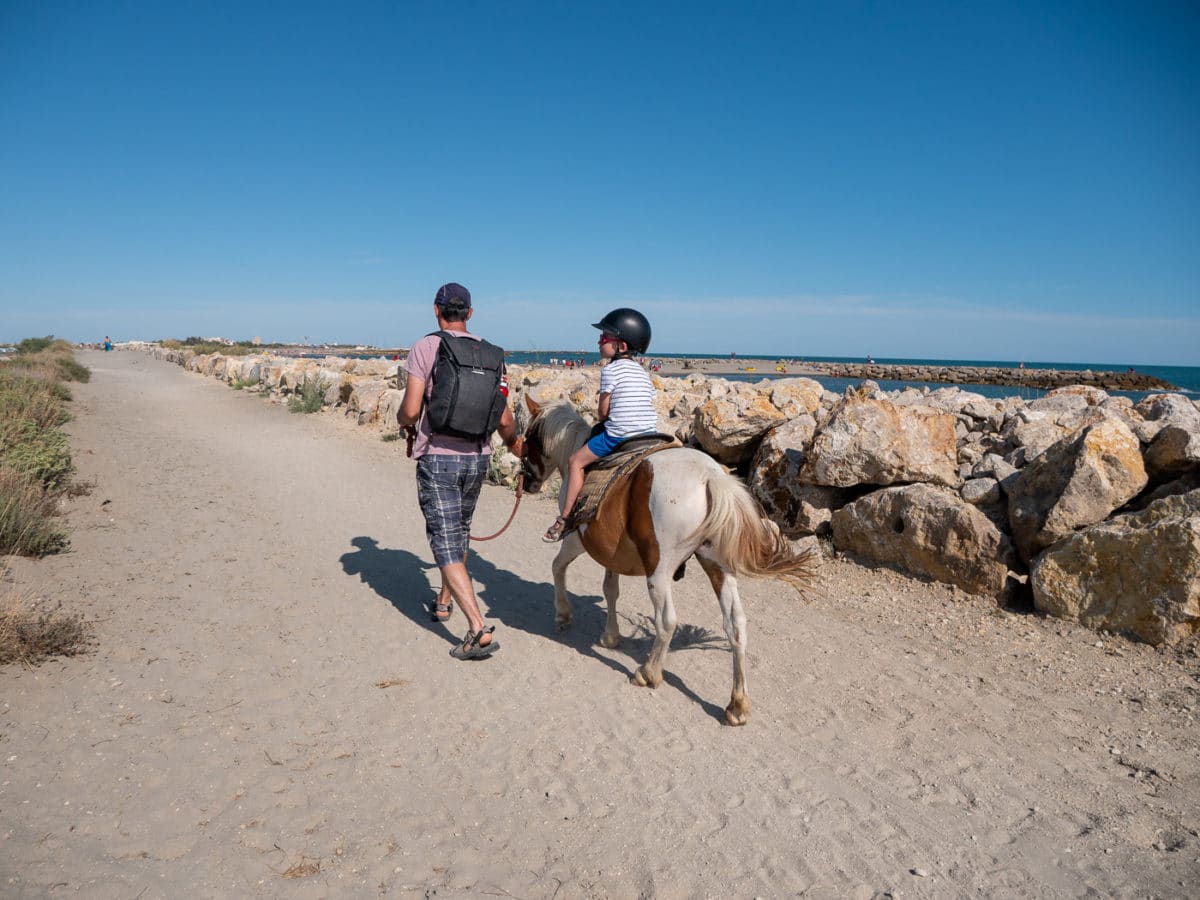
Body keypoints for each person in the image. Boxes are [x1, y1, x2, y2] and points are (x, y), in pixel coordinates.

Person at [398, 282, 524, 660]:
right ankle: (443, 599)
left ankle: (476, 628)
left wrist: (402, 422)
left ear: (436, 310)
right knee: (460, 532)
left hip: (438, 456)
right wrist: (517, 447)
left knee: (444, 537)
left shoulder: (425, 346)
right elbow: (504, 418)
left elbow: (410, 409)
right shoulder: (493, 354)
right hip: (477, 457)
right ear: (470, 314)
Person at [544, 308, 657, 542]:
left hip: (619, 436)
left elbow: (604, 412)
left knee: (575, 462)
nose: (599, 340)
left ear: (621, 346)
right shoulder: (643, 372)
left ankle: (565, 518)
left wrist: (603, 415)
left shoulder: (611, 370)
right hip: (649, 434)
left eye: (605, 337)